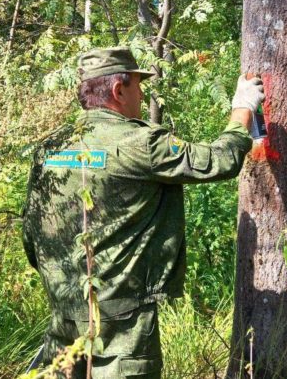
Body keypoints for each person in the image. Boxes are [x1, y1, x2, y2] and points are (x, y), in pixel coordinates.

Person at [22, 46, 264, 378]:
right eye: (138, 85)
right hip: (122, 328)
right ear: (119, 90)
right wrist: (242, 111)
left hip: (64, 314)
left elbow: (31, 233)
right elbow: (219, 161)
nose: (141, 94)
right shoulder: (141, 143)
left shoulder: (50, 147)